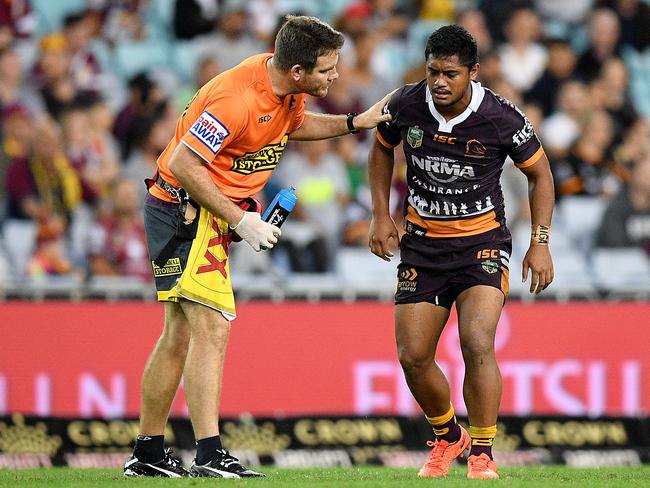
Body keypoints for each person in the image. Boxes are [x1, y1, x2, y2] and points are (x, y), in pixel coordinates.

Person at [123, 15, 391, 478]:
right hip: (186, 212)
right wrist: (241, 218)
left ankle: (146, 455)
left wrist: (354, 122)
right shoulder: (236, 98)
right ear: (297, 72)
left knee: (179, 335)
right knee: (213, 327)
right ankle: (209, 454)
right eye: (327, 69)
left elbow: (294, 126)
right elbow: (186, 163)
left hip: (201, 213)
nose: (335, 76)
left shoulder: (283, 90)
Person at [367, 25, 554, 480]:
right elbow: (381, 149)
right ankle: (450, 436)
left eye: (449, 73)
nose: (439, 82)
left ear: (473, 72)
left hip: (481, 247)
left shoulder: (501, 117)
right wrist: (380, 214)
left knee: (476, 343)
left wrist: (540, 243)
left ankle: (483, 451)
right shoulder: (405, 103)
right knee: (412, 356)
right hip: (423, 248)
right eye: (433, 72)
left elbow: (541, 175)